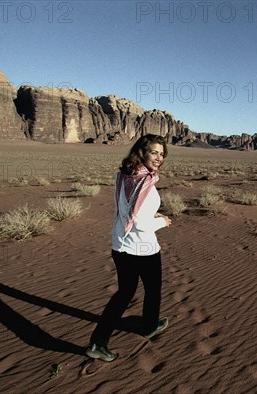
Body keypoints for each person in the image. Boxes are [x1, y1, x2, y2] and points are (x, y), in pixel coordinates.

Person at [86, 134, 172, 362]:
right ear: (141, 151)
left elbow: (128, 209)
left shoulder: (123, 175)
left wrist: (150, 213)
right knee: (153, 290)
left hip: (120, 244)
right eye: (154, 152)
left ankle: (97, 342)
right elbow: (141, 222)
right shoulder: (144, 182)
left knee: (124, 293)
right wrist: (162, 221)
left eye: (162, 154)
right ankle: (149, 327)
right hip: (142, 248)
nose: (159, 158)